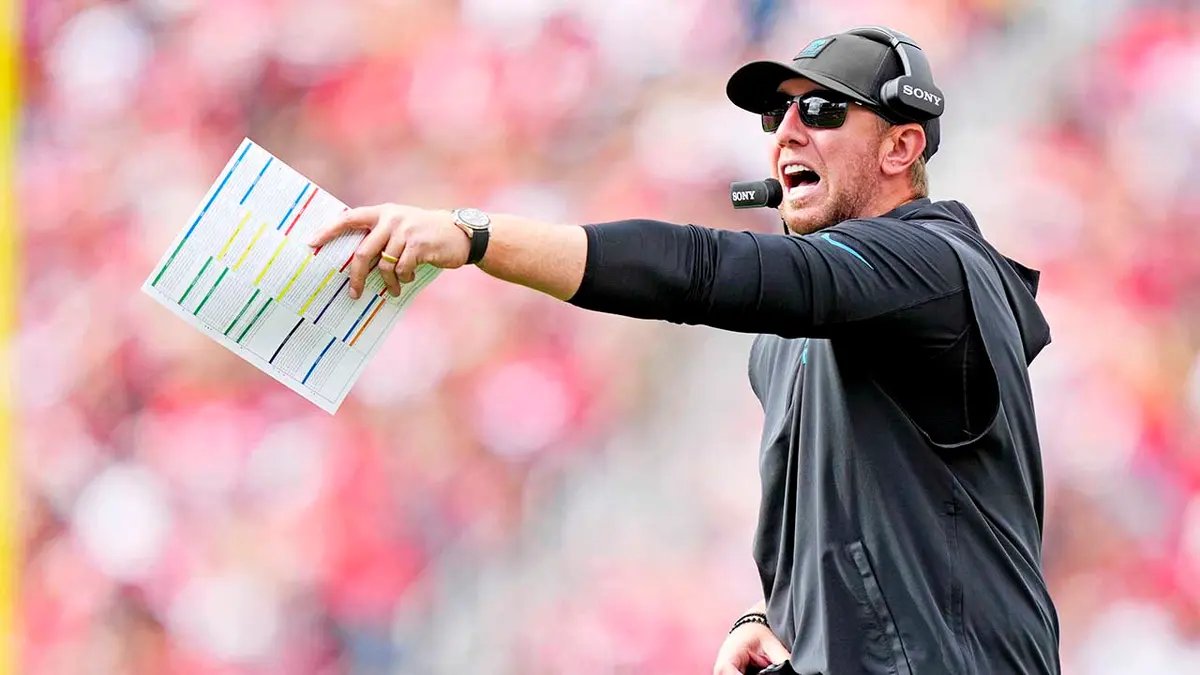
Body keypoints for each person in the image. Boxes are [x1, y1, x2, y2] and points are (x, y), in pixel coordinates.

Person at [308, 26, 1061, 675]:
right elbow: (865, 528)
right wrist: (771, 618)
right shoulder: (788, 345)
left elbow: (701, 271)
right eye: (777, 112)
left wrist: (475, 236)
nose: (786, 132)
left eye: (823, 110)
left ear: (903, 146)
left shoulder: (931, 266)